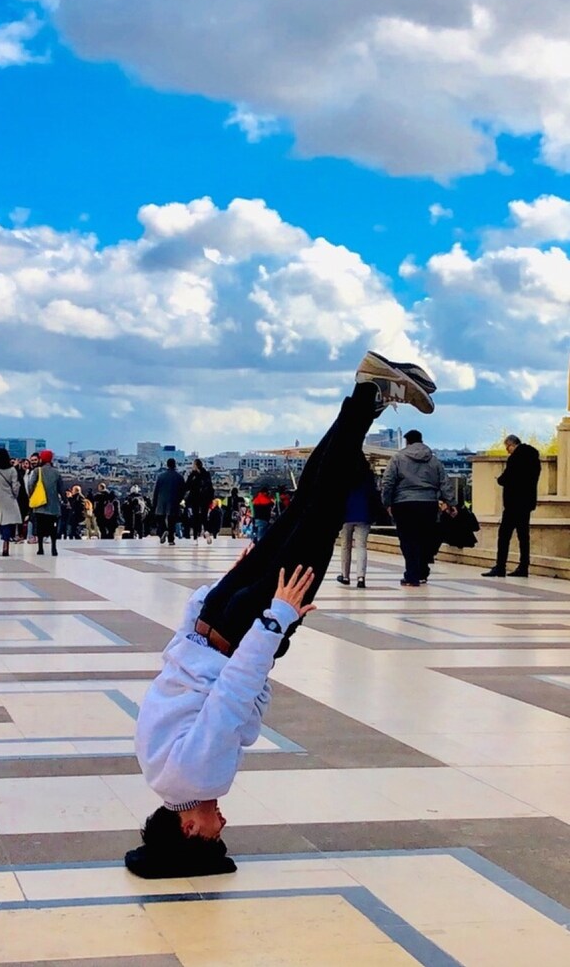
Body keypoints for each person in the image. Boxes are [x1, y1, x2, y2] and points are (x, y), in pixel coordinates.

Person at [125, 352, 435, 879]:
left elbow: (232, 694)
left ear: (188, 831)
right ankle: (371, 397)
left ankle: (369, 392)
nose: (222, 823)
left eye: (213, 835)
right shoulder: (154, 767)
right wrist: (213, 594)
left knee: (323, 508)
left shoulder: (198, 780)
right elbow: (175, 671)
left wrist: (276, 619)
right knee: (307, 504)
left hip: (246, 627)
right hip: (214, 617)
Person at [380, 428, 450, 587]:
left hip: (404, 504)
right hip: (428, 503)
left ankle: (411, 575)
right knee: (425, 538)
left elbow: (388, 482)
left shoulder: (397, 459)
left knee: (408, 540)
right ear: (421, 440)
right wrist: (450, 502)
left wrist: (387, 502)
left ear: (407, 442)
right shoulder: (434, 460)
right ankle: (422, 572)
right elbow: (445, 482)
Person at [483, 434, 542, 578]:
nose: (507, 450)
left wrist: (500, 479)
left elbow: (507, 478)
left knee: (504, 535)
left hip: (513, 503)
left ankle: (500, 566)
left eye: (507, 447)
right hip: (526, 503)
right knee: (523, 536)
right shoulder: (534, 458)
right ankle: (524, 566)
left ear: (512, 444)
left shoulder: (515, 459)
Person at [336, 454, 386, 589]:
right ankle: (361, 578)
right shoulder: (368, 476)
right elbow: (374, 494)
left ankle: (345, 576)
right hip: (364, 514)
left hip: (346, 514)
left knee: (345, 546)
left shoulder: (343, 475)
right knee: (361, 546)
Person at [26, 450, 65, 556]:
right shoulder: (56, 472)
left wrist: (32, 496)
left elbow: (30, 485)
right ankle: (53, 548)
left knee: (40, 527)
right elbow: (61, 489)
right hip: (53, 506)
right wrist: (65, 500)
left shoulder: (37, 471)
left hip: (40, 504)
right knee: (53, 527)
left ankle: (40, 548)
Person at [151, 458, 185, 546]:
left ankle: (163, 530)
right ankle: (171, 539)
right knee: (172, 521)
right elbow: (183, 491)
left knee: (160, 518)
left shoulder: (161, 476)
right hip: (174, 501)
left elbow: (156, 491)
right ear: (175, 465)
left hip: (161, 501)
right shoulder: (179, 477)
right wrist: (180, 500)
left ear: (167, 465)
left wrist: (154, 503)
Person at [184, 459, 214, 542]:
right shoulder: (206, 474)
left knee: (195, 517)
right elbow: (210, 487)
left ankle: (195, 537)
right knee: (204, 516)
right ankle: (206, 531)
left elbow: (187, 486)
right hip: (205, 499)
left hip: (195, 499)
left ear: (195, 465)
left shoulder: (193, 475)